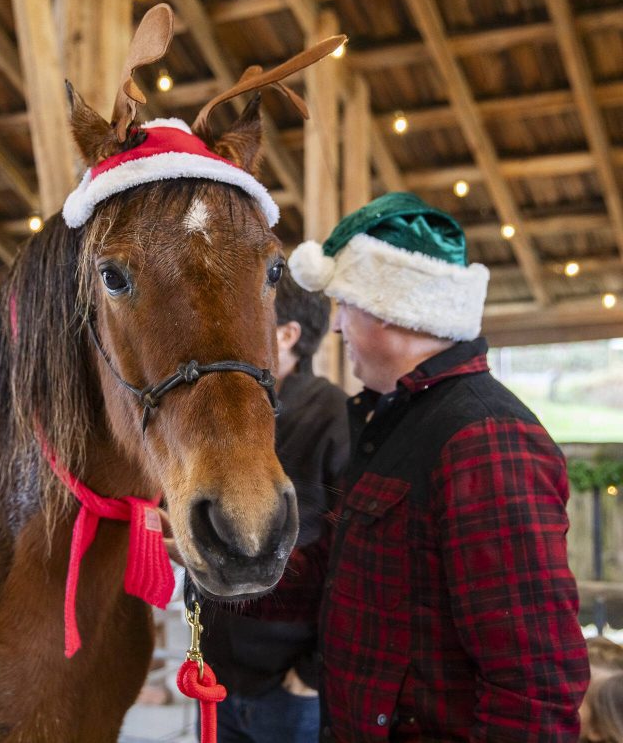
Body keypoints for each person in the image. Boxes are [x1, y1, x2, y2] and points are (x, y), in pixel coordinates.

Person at [285, 192, 590, 740]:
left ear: (387, 308)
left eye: (344, 305)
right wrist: (207, 557)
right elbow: (330, 576)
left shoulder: (484, 438)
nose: (336, 328)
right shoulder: (395, 420)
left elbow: (534, 687)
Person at [197, 271, 349, 743]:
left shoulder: (335, 415)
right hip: (220, 667)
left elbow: (352, 559)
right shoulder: (229, 412)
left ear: (287, 335)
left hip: (291, 681)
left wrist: (313, 673)